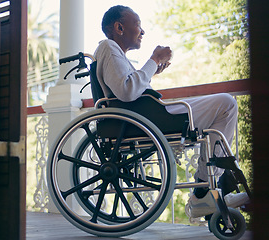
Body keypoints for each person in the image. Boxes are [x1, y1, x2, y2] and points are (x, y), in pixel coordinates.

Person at [94, 5, 250, 218]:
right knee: (226, 104)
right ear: (119, 27)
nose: (142, 31)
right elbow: (127, 91)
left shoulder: (114, 53)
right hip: (149, 119)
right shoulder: (109, 48)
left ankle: (210, 191)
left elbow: (129, 87)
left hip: (147, 116)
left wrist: (152, 72)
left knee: (223, 108)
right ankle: (204, 192)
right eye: (138, 25)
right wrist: (154, 59)